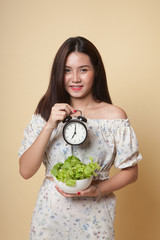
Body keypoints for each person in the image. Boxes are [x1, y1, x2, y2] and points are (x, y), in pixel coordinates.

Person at [18, 36, 142, 240]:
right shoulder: (45, 112)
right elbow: (25, 170)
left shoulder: (115, 116)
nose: (75, 78)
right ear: (59, 73)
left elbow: (131, 172)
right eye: (67, 70)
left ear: (96, 71)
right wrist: (50, 124)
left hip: (95, 219)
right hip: (50, 218)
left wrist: (97, 190)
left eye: (83, 70)